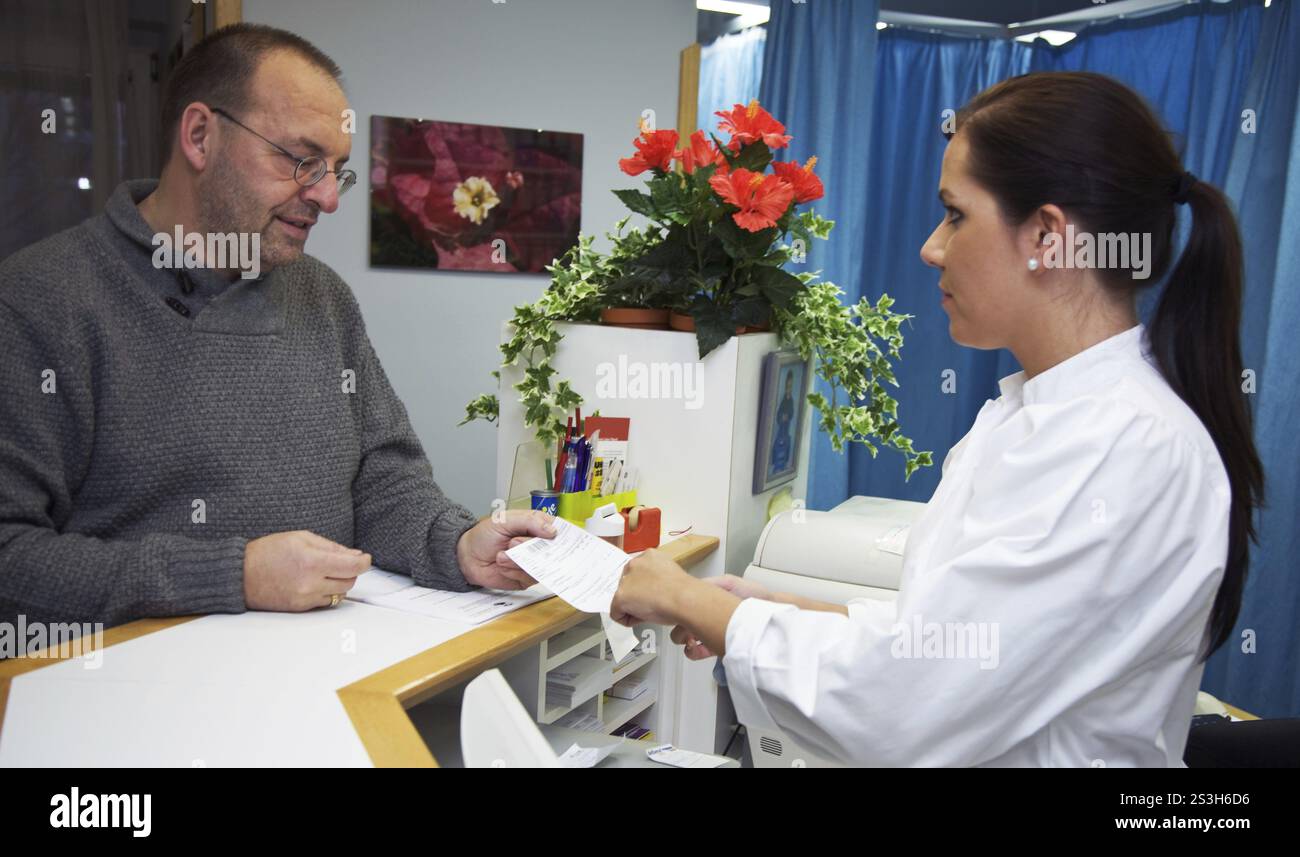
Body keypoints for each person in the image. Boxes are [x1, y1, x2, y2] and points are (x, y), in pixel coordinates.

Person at [611, 71, 1264, 767]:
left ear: (1047, 236)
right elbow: (949, 642)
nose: (932, 246)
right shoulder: (1034, 414)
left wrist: (695, 601)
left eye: (954, 214)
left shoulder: (1122, 447)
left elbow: (904, 705)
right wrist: (773, 606)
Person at [0, 23, 551, 632]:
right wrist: (233, 575)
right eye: (300, 160)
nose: (327, 198)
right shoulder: (39, 301)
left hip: (321, 683)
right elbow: (11, 559)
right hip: (127, 698)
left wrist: (454, 543)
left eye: (335, 170)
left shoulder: (322, 297)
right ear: (200, 136)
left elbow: (383, 483)